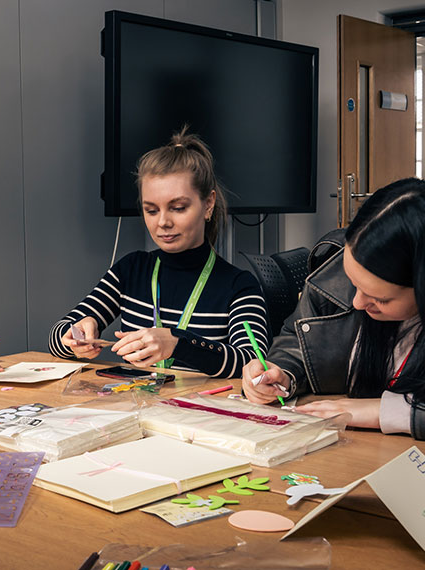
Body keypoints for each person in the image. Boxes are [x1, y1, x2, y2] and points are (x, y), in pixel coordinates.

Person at [48, 128, 270, 377]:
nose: (162, 222)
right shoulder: (131, 269)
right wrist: (76, 337)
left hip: (200, 413)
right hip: (137, 409)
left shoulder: (239, 286)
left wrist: (177, 344)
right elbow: (57, 337)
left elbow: (254, 364)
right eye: (151, 210)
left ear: (208, 204)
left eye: (177, 208)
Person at [242, 178, 425, 440]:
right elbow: (296, 342)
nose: (357, 303)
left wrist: (384, 411)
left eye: (379, 298)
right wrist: (281, 374)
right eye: (353, 284)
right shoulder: (332, 273)